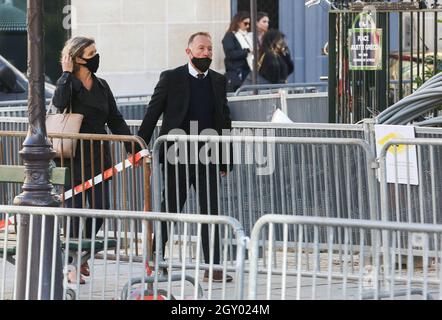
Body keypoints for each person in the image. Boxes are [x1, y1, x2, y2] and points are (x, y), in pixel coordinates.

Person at [138, 32, 233, 283]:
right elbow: (153, 112)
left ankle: (213, 265)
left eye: (210, 50)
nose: (206, 53)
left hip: (208, 155)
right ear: (188, 52)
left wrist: (225, 159)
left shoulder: (218, 80)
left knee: (210, 211)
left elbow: (224, 119)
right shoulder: (171, 78)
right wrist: (138, 145)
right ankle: (159, 259)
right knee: (171, 208)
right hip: (176, 154)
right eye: (201, 48)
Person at [52, 36, 134, 284]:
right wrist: (66, 74)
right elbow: (58, 103)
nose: (96, 56)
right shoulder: (68, 84)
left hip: (99, 157)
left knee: (100, 211)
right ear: (77, 58)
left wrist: (132, 146)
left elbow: (115, 119)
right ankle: (71, 265)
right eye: (91, 52)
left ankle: (81, 255)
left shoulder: (102, 85)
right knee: (75, 214)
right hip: (73, 158)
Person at [222, 11, 253, 92]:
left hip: (248, 70)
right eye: (245, 23)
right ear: (238, 22)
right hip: (237, 71)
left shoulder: (247, 36)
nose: (248, 26)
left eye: (249, 24)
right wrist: (247, 51)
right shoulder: (230, 36)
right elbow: (230, 54)